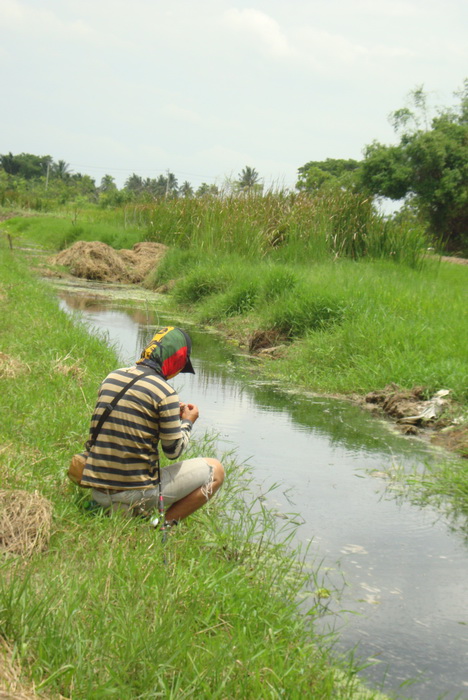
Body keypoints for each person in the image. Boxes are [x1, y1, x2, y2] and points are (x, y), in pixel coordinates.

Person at [80, 326, 224, 526]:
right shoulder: (165, 392)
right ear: (175, 359)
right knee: (216, 470)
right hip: (132, 496)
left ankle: (119, 511)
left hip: (98, 492)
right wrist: (188, 421)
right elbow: (173, 451)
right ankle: (163, 525)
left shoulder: (112, 377)